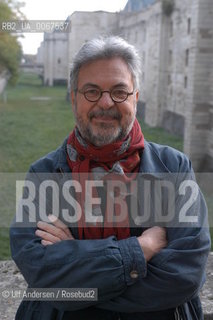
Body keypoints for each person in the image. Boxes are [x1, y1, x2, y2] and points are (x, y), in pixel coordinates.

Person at [10, 36, 211, 320]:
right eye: (91, 91)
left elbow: (184, 275)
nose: (106, 103)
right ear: (73, 98)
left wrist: (77, 264)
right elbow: (41, 273)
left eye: (119, 92)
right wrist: (141, 249)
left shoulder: (174, 168)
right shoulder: (43, 177)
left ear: (136, 98)